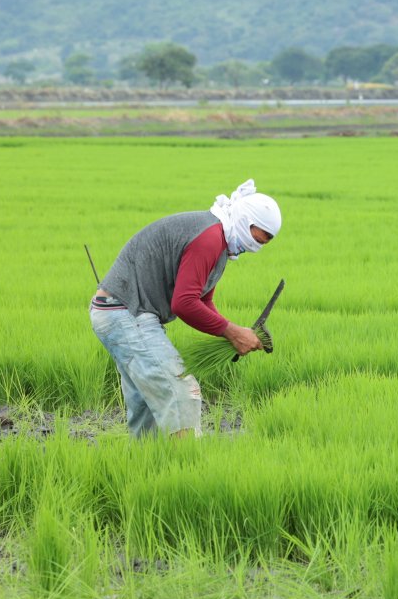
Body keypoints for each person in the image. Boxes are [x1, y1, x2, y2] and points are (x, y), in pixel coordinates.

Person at [89, 179, 281, 438]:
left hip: (121, 313)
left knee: (148, 406)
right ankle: (189, 465)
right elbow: (184, 303)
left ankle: (149, 467)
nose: (256, 246)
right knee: (181, 393)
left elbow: (203, 301)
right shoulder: (210, 239)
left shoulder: (219, 241)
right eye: (258, 237)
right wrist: (233, 333)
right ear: (245, 220)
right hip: (127, 312)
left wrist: (235, 334)